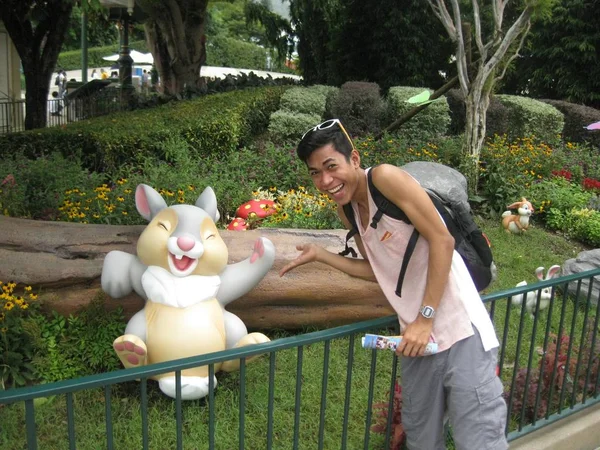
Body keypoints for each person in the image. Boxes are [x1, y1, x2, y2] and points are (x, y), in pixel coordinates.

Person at [279, 119, 508, 450]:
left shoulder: (384, 178)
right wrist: (321, 255)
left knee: (478, 439)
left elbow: (442, 240)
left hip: (459, 329)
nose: (325, 180)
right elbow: (378, 270)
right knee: (421, 438)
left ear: (353, 159)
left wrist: (426, 317)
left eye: (331, 166)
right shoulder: (348, 211)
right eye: (315, 172)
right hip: (416, 339)